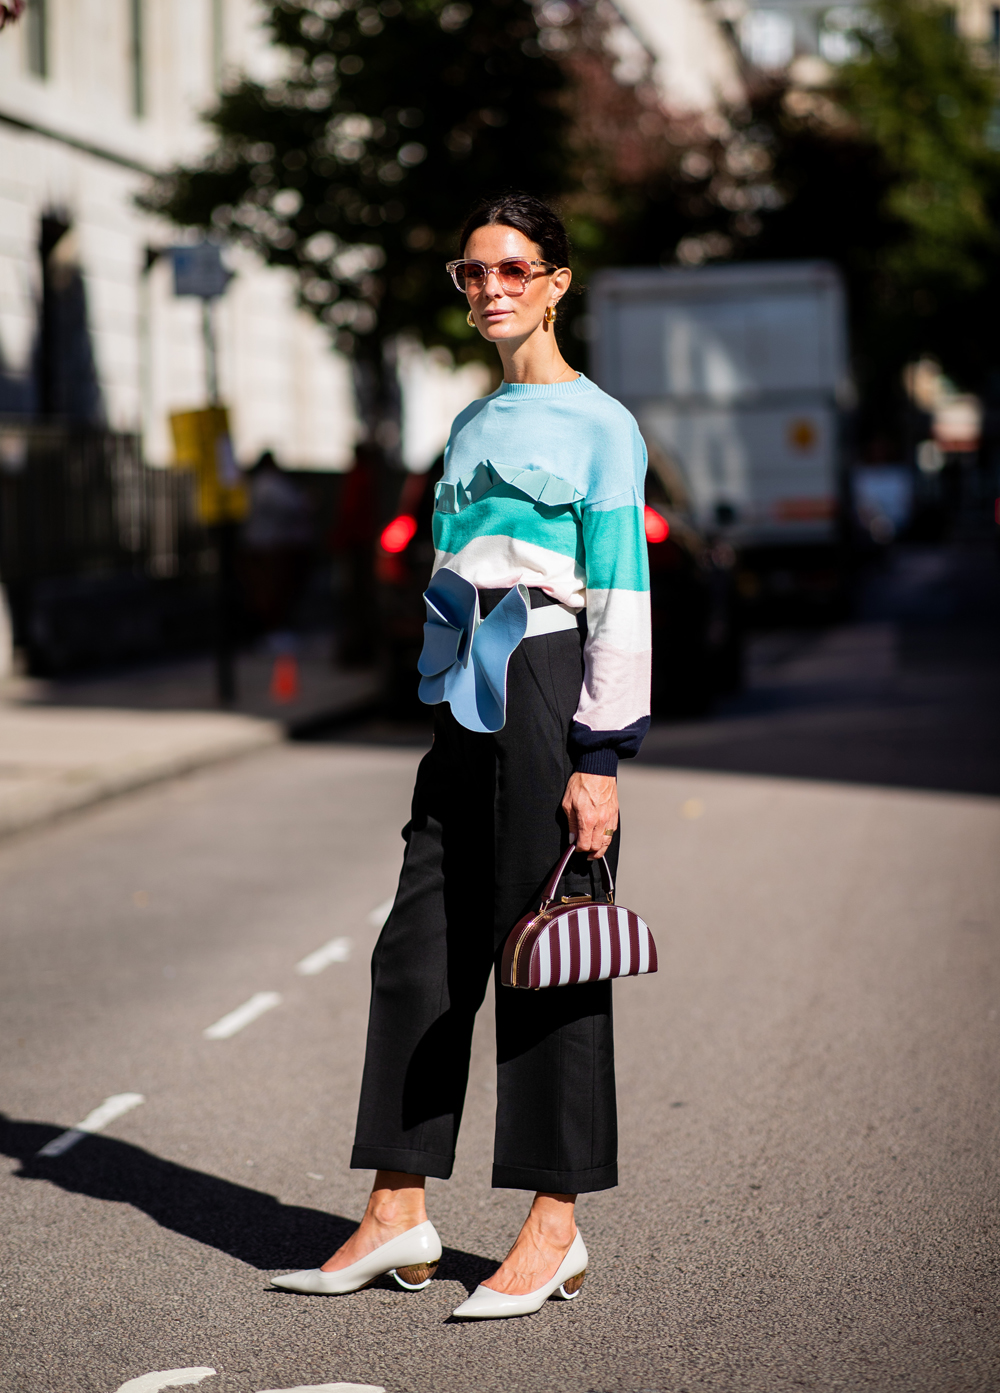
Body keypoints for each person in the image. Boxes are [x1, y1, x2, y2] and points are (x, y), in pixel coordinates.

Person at [272, 192, 651, 1318]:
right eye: (471, 271)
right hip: (463, 697)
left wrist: (599, 753)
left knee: (550, 957)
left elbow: (619, 596)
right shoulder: (471, 425)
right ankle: (398, 1213)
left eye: (511, 269)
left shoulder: (602, 426)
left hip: (545, 687)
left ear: (556, 282)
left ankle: (553, 1227)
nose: (488, 288)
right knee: (417, 951)